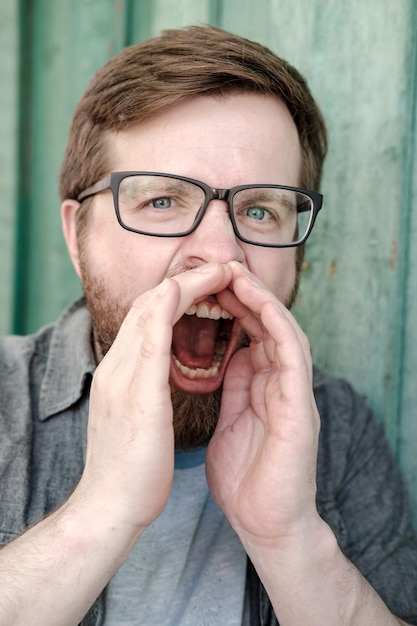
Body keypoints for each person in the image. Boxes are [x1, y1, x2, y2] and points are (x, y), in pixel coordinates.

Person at [0, 24, 416, 626]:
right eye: (162, 201)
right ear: (76, 236)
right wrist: (101, 513)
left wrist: (292, 544)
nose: (221, 254)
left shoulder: (341, 429)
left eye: (258, 210)